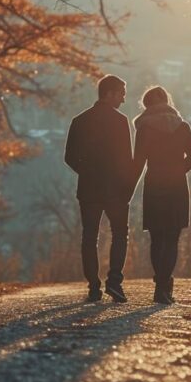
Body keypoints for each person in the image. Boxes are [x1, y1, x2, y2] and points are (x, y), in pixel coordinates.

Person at [64, 75, 137, 303]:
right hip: (116, 189)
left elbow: (69, 157)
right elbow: (127, 159)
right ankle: (114, 281)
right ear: (109, 93)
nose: (124, 99)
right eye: (121, 94)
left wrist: (86, 172)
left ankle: (93, 287)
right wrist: (126, 188)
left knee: (89, 237)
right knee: (120, 235)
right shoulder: (120, 121)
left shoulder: (80, 120)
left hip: (88, 189)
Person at [133, 86, 191, 304]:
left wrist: (128, 185)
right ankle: (164, 285)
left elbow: (139, 161)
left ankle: (160, 286)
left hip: (154, 185)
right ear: (168, 101)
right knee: (172, 237)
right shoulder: (183, 126)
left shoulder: (144, 128)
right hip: (177, 186)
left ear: (147, 104)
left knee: (156, 237)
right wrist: (177, 171)